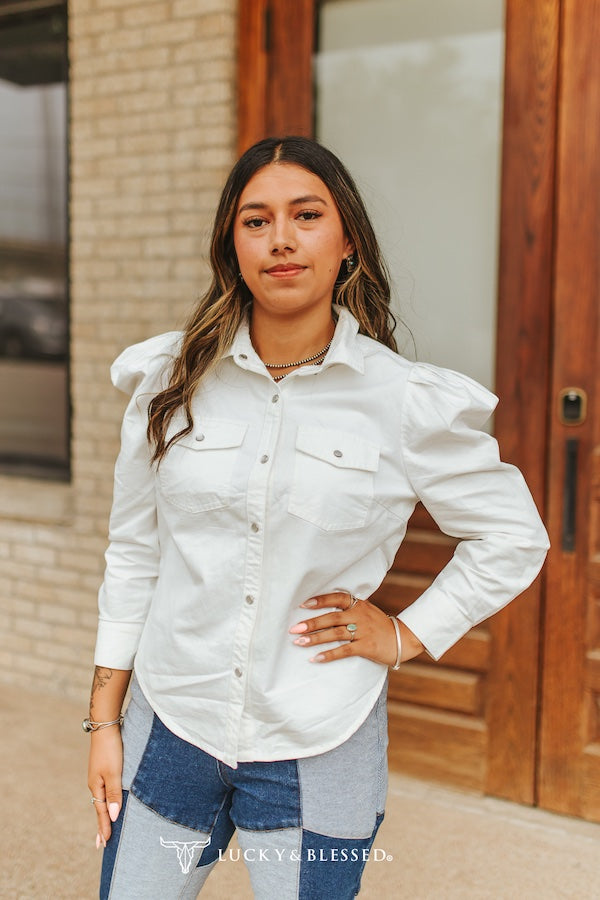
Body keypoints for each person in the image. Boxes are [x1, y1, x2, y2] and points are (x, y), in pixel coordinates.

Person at [86, 136, 549, 899]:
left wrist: (405, 633)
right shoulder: (169, 383)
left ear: (348, 243)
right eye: (255, 221)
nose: (281, 240)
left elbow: (511, 535)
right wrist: (104, 723)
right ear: (231, 246)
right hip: (171, 722)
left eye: (306, 215)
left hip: (320, 735)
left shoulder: (401, 398)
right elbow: (134, 553)